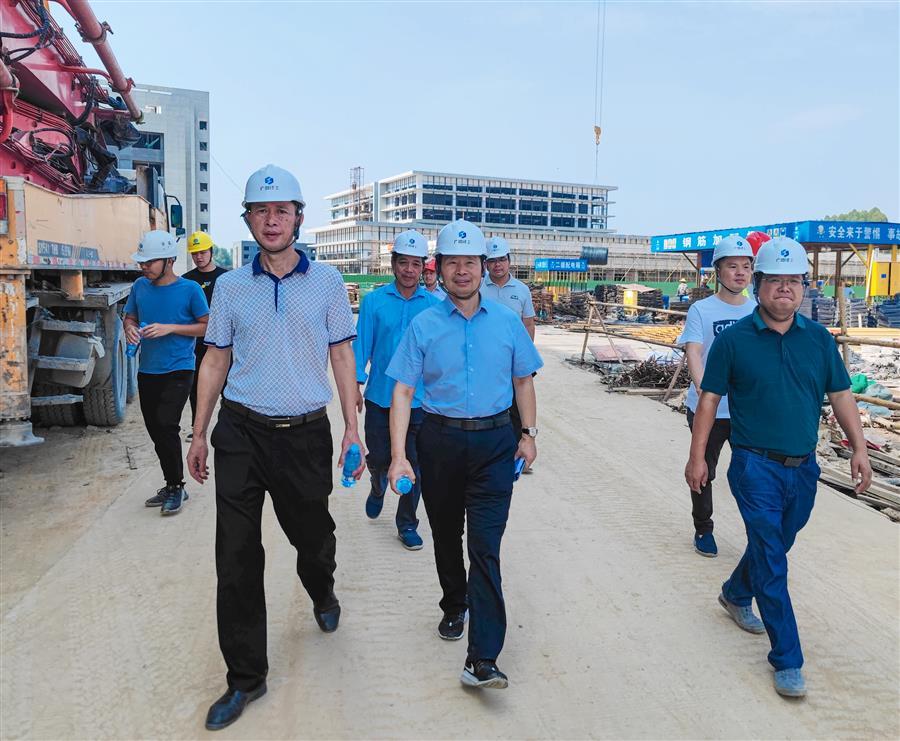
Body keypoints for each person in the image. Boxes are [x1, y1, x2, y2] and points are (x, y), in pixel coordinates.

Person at [186, 164, 364, 731]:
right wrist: (198, 431)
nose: (271, 220)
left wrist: (353, 428)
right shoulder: (231, 287)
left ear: (298, 218)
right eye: (260, 211)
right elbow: (215, 360)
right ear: (248, 220)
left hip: (304, 435)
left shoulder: (328, 283)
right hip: (241, 433)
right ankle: (246, 677)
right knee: (236, 555)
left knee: (313, 536)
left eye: (281, 210)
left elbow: (342, 356)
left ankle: (322, 588)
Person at [685, 236, 872, 699]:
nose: (784, 289)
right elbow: (708, 400)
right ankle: (787, 658)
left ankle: (734, 593)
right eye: (775, 281)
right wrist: (697, 456)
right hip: (755, 467)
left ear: (805, 287)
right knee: (772, 558)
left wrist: (859, 448)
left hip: (804, 469)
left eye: (794, 281)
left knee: (777, 544)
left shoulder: (819, 340)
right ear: (759, 285)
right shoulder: (734, 341)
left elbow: (841, 394)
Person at [386, 219, 543, 690]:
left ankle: (483, 658)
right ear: (440, 268)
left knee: (486, 547)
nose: (461, 271)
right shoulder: (424, 324)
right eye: (452, 262)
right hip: (440, 442)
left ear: (482, 266)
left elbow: (523, 381)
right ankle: (455, 603)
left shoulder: (508, 322)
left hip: (495, 444)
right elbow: (403, 391)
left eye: (469, 262)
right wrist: (399, 455)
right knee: (446, 534)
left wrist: (529, 434)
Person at [354, 229, 438, 549]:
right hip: (380, 397)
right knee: (378, 458)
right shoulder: (374, 302)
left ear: (423, 267)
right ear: (393, 264)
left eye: (416, 264)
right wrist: (355, 386)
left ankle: (407, 523)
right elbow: (361, 347)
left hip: (420, 401)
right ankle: (377, 485)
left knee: (415, 465)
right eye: (403, 263)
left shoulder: (434, 306)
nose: (409, 270)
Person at [678, 234, 756, 557]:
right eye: (732, 266)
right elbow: (694, 352)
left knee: (753, 475)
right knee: (703, 470)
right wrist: (704, 391)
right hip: (707, 409)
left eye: (746, 266)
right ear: (718, 271)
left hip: (746, 413)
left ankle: (759, 536)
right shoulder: (701, 309)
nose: (740, 272)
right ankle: (703, 528)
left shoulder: (758, 310)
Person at [123, 230, 209, 515]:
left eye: (149, 262)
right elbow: (130, 316)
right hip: (148, 369)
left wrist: (170, 328)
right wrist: (130, 328)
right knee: (155, 429)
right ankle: (171, 483)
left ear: (169, 260)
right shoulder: (140, 286)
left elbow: (207, 326)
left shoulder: (190, 290)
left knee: (166, 423)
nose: (144, 266)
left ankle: (177, 486)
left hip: (179, 368)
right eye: (142, 262)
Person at [481, 236, 537, 470]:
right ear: (486, 264)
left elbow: (528, 323)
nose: (497, 265)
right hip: (484, 360)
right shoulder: (478, 288)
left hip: (513, 359)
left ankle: (518, 452)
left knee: (516, 408)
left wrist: (526, 357)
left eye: (502, 260)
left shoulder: (521, 290)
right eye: (492, 261)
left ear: (509, 261)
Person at [182, 230, 228, 440]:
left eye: (202, 252)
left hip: (223, 342)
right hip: (197, 342)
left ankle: (227, 426)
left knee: (227, 386)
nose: (199, 257)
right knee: (196, 386)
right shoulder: (187, 281)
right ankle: (197, 428)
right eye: (195, 253)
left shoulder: (225, 278)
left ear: (211, 251)